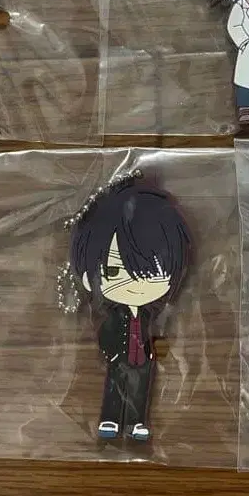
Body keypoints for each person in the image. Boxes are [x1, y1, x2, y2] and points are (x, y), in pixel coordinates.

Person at [69, 176, 190, 441]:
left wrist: (158, 352)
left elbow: (156, 337)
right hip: (118, 360)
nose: (135, 284)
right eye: (114, 271)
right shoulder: (114, 313)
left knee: (140, 392)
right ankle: (110, 419)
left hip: (143, 362)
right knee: (115, 389)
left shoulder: (150, 315)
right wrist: (110, 352)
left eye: (153, 272)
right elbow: (106, 332)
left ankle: (136, 423)